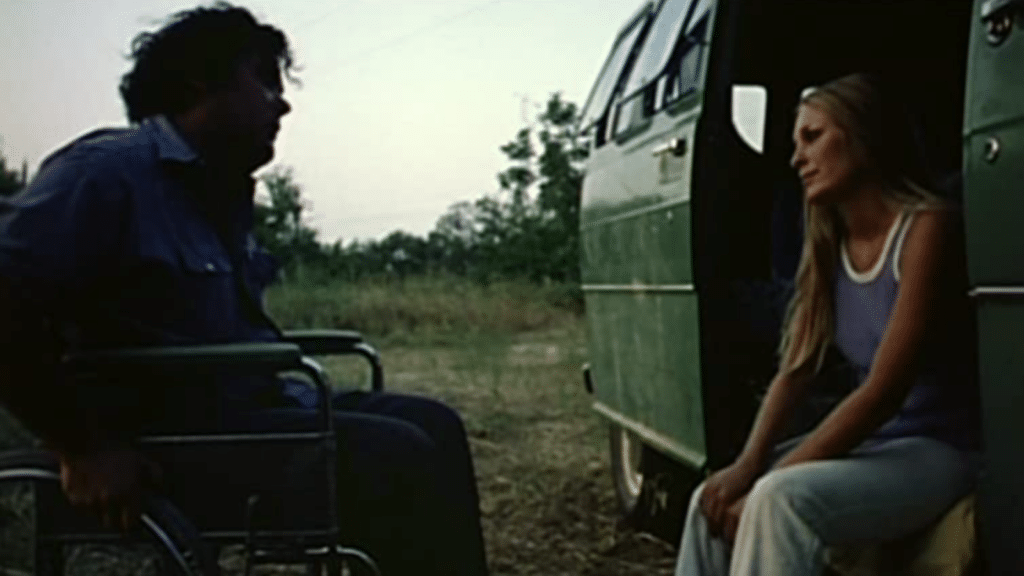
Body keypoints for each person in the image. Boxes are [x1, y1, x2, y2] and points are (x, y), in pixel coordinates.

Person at [0, 4, 488, 575]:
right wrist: (82, 447)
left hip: (248, 416)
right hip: (178, 445)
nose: (282, 104)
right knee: (393, 452)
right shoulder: (106, 172)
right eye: (264, 82)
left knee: (435, 423)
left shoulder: (216, 189)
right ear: (198, 83)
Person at [674, 73, 981, 575]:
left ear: (863, 136)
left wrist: (768, 479)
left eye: (812, 136)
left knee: (778, 498)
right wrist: (746, 466)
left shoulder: (927, 228)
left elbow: (883, 392)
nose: (796, 158)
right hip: (875, 447)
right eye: (796, 142)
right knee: (710, 500)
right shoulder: (827, 248)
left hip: (940, 449)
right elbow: (795, 370)